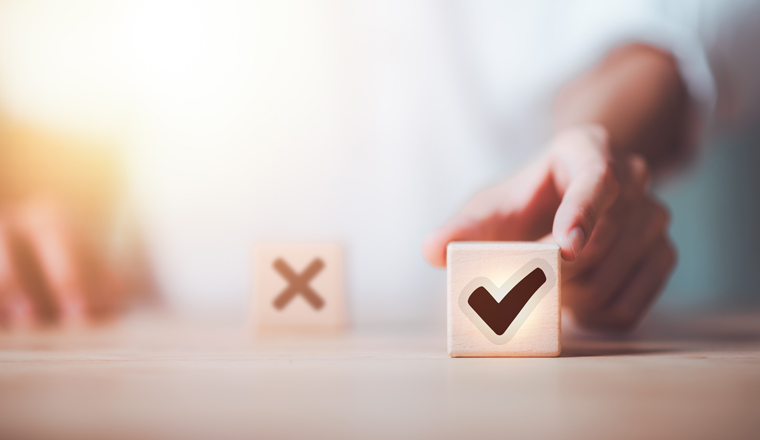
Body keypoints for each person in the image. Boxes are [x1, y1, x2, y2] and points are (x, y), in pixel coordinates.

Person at [0, 0, 756, 330]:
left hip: (516, 375)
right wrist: (38, 209)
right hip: (170, 351)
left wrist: (584, 151)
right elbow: (61, 75)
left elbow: (671, 23)